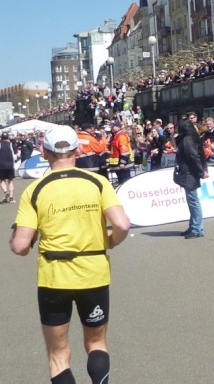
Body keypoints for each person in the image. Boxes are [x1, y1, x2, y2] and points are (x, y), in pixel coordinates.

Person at [9, 125, 130, 384]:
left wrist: (19, 238)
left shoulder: (35, 189)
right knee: (96, 343)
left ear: (44, 152)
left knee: (58, 354)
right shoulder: (97, 182)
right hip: (93, 273)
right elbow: (122, 224)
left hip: (54, 278)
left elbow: (20, 246)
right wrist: (109, 242)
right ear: (79, 150)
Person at [173, 119, 209, 239]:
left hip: (190, 173)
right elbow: (199, 155)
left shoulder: (187, 139)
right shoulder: (191, 138)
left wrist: (201, 171)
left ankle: (197, 228)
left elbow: (193, 156)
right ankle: (193, 226)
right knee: (192, 201)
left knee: (193, 201)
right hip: (190, 172)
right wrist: (202, 169)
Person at [108, 120, 134, 184]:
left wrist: (123, 162)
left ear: (118, 127)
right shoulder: (115, 136)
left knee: (125, 182)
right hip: (119, 164)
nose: (111, 128)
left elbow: (124, 151)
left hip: (122, 165)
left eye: (113, 126)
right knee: (122, 182)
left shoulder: (121, 136)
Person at [0, 131, 17, 203]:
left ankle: (5, 191)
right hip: (10, 165)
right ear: (8, 137)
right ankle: (11, 198)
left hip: (1, 165)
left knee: (2, 180)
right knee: (10, 181)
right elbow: (16, 154)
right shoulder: (11, 144)